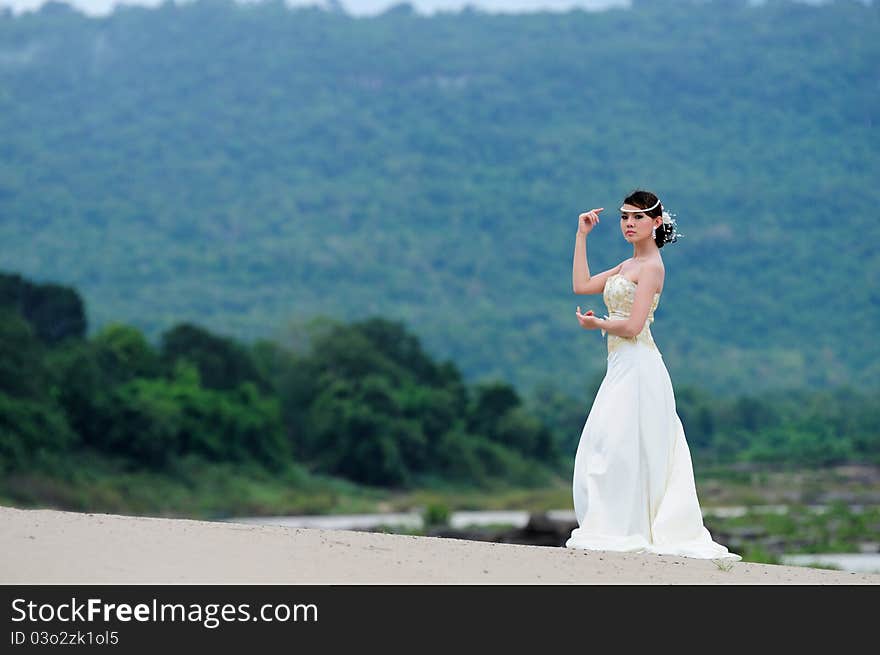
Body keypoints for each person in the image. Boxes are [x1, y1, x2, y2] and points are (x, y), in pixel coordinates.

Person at [565, 189, 740, 561]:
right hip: (620, 367)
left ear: (656, 223)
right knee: (608, 444)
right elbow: (581, 286)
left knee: (621, 446)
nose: (629, 223)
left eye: (638, 217)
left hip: (640, 368)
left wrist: (598, 322)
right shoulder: (625, 266)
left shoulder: (653, 268)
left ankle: (633, 528)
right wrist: (582, 236)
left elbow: (632, 326)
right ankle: (616, 523)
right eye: (624, 217)